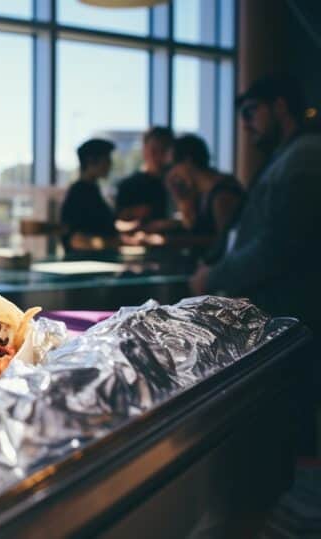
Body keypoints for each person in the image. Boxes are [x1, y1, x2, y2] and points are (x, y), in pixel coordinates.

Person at [189, 75, 321, 455]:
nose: (245, 124)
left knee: (294, 428)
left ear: (280, 106)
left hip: (298, 316)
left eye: (251, 112)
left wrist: (214, 276)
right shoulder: (290, 157)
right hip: (291, 316)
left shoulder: (303, 159)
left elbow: (279, 246)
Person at [163, 134, 244, 260]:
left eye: (172, 166)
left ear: (187, 161)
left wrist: (170, 241)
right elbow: (190, 226)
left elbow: (225, 242)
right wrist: (180, 197)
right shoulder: (201, 192)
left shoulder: (223, 193)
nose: (172, 173)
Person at [60, 138, 118, 253]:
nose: (110, 164)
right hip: (86, 264)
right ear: (91, 161)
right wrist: (116, 242)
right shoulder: (79, 193)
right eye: (106, 159)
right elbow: (76, 240)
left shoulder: (92, 190)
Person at [115, 127, 174, 225]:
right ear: (144, 151)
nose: (159, 156)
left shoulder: (178, 182)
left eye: (164, 150)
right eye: (154, 151)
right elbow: (118, 221)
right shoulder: (128, 185)